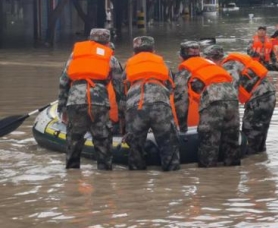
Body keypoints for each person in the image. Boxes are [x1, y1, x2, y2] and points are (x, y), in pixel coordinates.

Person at [58, 28, 123, 170]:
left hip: (75, 101)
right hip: (99, 102)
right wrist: (122, 115)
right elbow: (120, 89)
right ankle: (105, 178)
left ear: (89, 39)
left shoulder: (75, 55)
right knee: (103, 141)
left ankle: (72, 176)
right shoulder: (111, 58)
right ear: (108, 42)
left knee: (74, 142)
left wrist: (62, 109)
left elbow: (63, 82)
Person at [174, 41, 241, 167]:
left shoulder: (184, 69)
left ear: (181, 57)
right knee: (232, 144)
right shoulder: (210, 63)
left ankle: (208, 180)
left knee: (209, 144)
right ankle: (233, 179)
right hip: (232, 97)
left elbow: (180, 99)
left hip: (213, 100)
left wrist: (182, 126)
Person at [203, 45, 276, 155]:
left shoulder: (228, 67)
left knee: (250, 136)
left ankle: (251, 164)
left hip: (259, 98)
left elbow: (231, 93)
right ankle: (261, 162)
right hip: (267, 95)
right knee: (259, 135)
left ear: (211, 59)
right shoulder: (232, 62)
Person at [123, 36, 180, 171]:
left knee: (135, 147)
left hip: (136, 106)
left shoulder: (128, 64)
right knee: (169, 144)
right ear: (154, 50)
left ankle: (137, 180)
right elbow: (172, 88)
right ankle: (172, 178)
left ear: (134, 51)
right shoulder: (162, 64)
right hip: (161, 105)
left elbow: (121, 93)